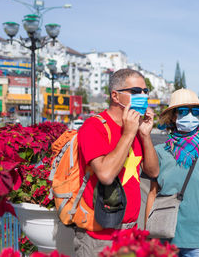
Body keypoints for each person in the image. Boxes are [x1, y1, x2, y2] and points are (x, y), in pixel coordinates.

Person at [76, 69, 159, 256]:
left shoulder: (137, 127)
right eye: (136, 91)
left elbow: (153, 172)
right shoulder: (94, 127)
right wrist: (129, 134)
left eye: (146, 92)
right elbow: (105, 174)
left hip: (130, 231)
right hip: (98, 235)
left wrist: (144, 135)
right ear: (115, 96)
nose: (143, 96)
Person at [145, 89, 199, 257]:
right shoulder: (158, 152)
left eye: (195, 111)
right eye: (182, 111)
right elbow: (152, 194)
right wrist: (149, 237)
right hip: (163, 237)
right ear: (173, 116)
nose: (189, 116)